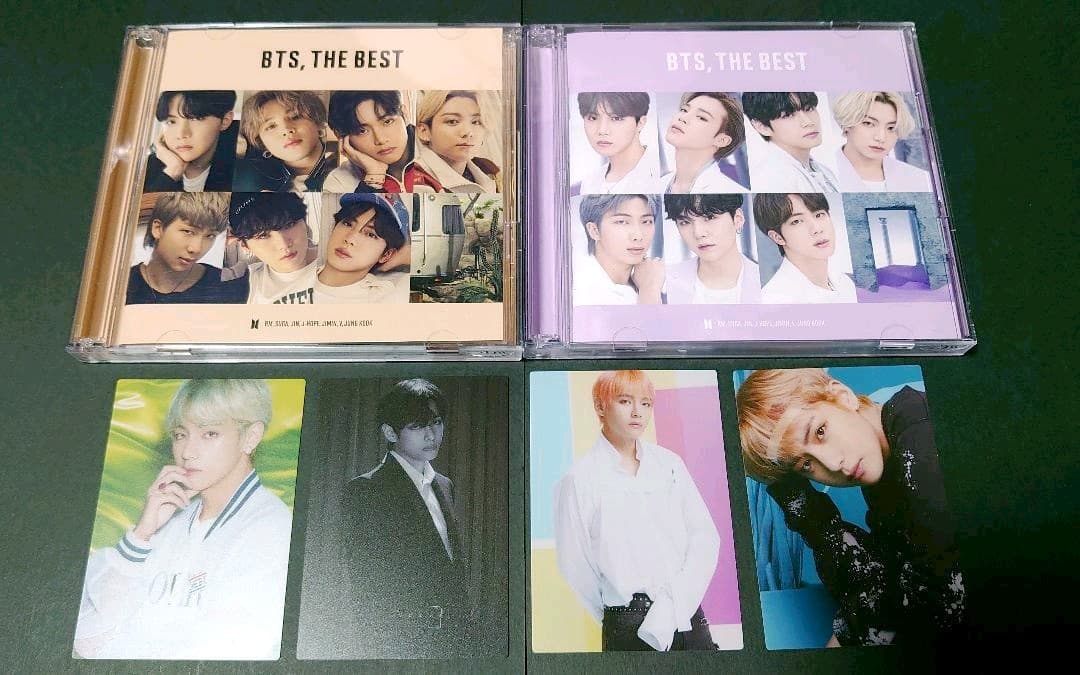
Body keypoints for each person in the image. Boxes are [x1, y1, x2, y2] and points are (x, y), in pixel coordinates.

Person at [735, 368, 965, 647]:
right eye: (806, 465)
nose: (833, 464)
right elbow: (876, 579)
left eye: (820, 432)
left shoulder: (920, 428)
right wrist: (788, 488)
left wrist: (847, 632)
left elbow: (939, 599)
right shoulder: (881, 466)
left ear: (843, 396)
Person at [73, 380, 293, 659]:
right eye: (180, 435)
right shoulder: (173, 520)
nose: (187, 452)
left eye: (209, 433)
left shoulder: (271, 527)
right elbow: (89, 632)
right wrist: (142, 534)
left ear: (251, 437)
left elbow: (230, 648)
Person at [553, 370, 721, 652]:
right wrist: (618, 615)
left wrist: (674, 603)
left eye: (645, 403)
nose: (637, 412)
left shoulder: (670, 464)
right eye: (625, 401)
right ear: (600, 407)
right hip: (628, 624)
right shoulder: (579, 479)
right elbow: (575, 566)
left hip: (686, 615)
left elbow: (705, 538)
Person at [340, 378, 466, 657]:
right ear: (390, 432)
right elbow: (368, 586)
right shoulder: (366, 490)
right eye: (417, 426)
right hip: (402, 644)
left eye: (436, 422)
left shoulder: (445, 485)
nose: (431, 435)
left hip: (454, 640)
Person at [127, 192, 248, 304]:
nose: (196, 249)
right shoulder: (123, 283)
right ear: (158, 228)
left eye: (210, 236)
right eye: (188, 231)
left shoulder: (228, 288)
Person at [323, 90, 440, 194]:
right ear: (341, 135)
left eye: (387, 122)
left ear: (404, 114)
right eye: (362, 131)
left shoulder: (438, 155)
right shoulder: (338, 183)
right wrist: (374, 176)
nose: (380, 139)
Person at [754, 192, 857, 304]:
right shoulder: (776, 300)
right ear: (778, 237)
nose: (817, 229)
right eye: (797, 221)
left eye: (819, 215)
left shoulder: (846, 284)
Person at [314, 193, 409, 303]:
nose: (349, 239)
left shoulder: (386, 297)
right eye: (347, 224)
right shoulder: (300, 275)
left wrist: (404, 255)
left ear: (386, 254)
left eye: (370, 234)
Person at [664, 194, 760, 304]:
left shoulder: (762, 282)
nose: (698, 233)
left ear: (737, 219)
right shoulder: (666, 282)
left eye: (710, 217)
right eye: (685, 222)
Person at [233, 90, 335, 192]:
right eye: (271, 126)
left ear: (318, 122)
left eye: (295, 117)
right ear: (262, 143)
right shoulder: (250, 178)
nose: (286, 129)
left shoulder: (337, 167)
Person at [830, 91, 933, 192]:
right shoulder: (827, 176)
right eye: (868, 123)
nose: (881, 137)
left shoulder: (921, 179)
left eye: (891, 128)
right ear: (847, 124)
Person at [573, 194, 665, 305]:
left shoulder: (653, 276)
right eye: (622, 222)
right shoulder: (580, 293)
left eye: (646, 221)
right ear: (594, 230)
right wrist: (649, 291)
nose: (638, 236)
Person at [227, 192, 318, 304]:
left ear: (304, 222)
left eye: (289, 225)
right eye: (263, 236)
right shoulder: (247, 284)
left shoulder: (333, 261)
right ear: (245, 245)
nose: (283, 244)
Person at [743, 92, 840, 193]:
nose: (808, 122)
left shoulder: (823, 171)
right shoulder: (772, 181)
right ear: (762, 127)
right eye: (788, 115)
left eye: (809, 109)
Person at [144, 90, 238, 192]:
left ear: (225, 121)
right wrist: (172, 171)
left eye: (196, 119)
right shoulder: (147, 169)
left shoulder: (239, 168)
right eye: (171, 122)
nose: (181, 134)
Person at [413, 90, 500, 193]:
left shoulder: (489, 168)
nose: (467, 132)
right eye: (452, 121)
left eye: (476, 122)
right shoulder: (415, 181)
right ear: (424, 131)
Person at [660, 92, 748, 194]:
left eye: (701, 117)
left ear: (722, 140)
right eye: (684, 110)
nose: (683, 118)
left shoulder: (730, 191)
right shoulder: (658, 184)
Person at [575, 92, 660, 194]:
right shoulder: (589, 183)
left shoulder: (659, 177)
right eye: (593, 118)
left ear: (640, 123)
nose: (602, 130)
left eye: (616, 118)